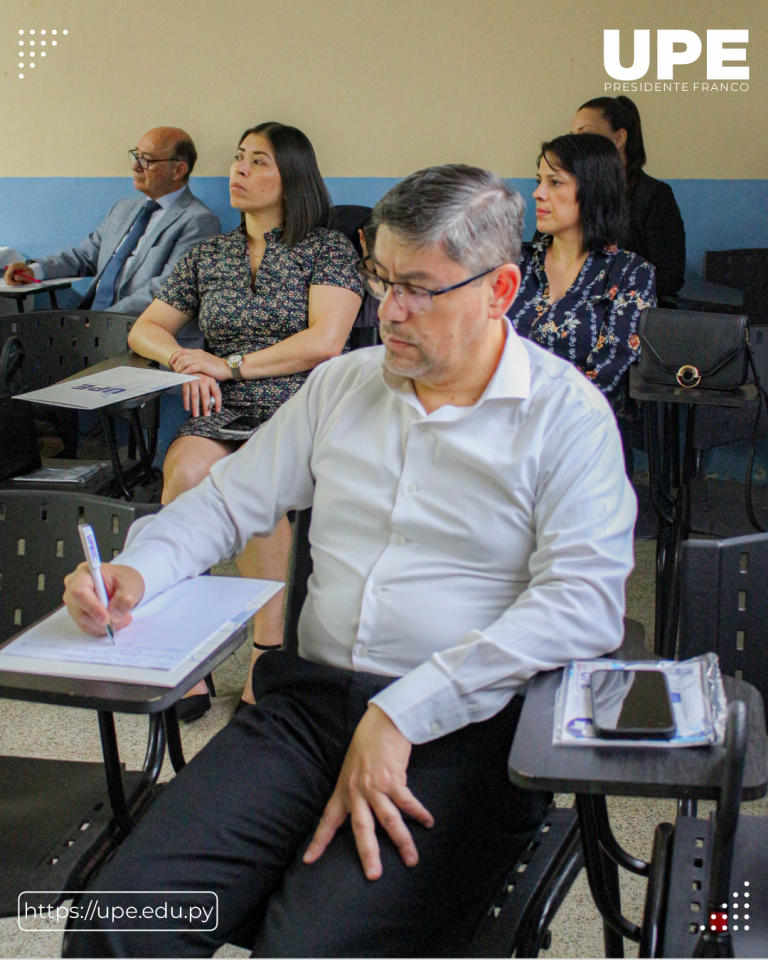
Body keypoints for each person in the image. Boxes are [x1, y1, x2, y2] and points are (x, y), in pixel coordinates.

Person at [61, 164, 636, 958]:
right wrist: (139, 570)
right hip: (308, 713)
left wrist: (407, 710)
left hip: (459, 735)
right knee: (121, 923)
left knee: (314, 946)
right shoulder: (344, 386)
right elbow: (229, 502)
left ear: (501, 289)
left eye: (418, 288)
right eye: (378, 277)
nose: (387, 311)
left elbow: (583, 605)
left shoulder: (565, 416)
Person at [125, 121, 363, 719]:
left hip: (300, 405)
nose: (239, 171)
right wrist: (185, 360)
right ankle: (191, 656)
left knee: (256, 487)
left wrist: (226, 365)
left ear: (292, 178)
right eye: (237, 159)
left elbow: (325, 342)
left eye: (258, 161)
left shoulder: (327, 248)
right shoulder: (208, 255)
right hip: (222, 408)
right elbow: (144, 329)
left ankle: (267, 653)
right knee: (183, 475)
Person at [509, 133, 656, 426]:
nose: (538, 193)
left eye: (555, 182)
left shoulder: (629, 272)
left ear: (593, 190)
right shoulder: (514, 262)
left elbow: (608, 377)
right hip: (499, 427)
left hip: (581, 436)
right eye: (539, 181)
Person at [3, 127, 220, 316]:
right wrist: (35, 270)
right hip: (93, 321)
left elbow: (166, 290)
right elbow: (84, 257)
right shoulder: (123, 209)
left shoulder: (198, 221)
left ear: (178, 170)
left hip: (139, 330)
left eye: (147, 160)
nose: (136, 166)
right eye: (136, 155)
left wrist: (101, 321)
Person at [571, 95, 686, 304]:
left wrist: (608, 289)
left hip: (630, 313)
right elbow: (544, 256)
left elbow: (670, 277)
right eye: (572, 136)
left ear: (619, 138)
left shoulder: (654, 196)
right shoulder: (572, 193)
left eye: (585, 134)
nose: (575, 145)